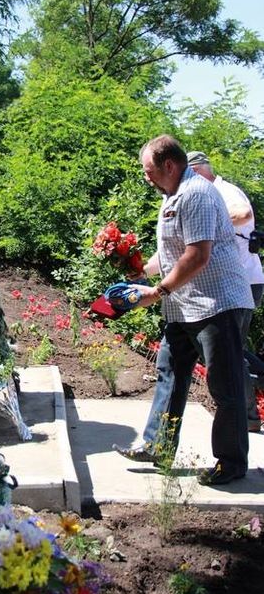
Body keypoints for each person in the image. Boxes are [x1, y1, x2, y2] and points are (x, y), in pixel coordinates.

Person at [113, 135, 254, 485]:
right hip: (184, 307)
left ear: (169, 166)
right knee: (170, 374)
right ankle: (157, 446)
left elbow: (198, 255)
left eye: (149, 171)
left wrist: (157, 291)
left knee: (225, 387)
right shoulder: (173, 196)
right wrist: (141, 271)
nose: (146, 178)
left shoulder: (197, 194)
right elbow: (174, 250)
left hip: (216, 304)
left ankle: (231, 463)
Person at [187, 150, 264, 432]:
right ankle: (250, 413)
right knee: (235, 351)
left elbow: (244, 214)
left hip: (244, 281)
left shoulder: (224, 191)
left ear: (197, 171)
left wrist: (209, 218)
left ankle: (249, 418)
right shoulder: (209, 193)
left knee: (231, 353)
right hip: (235, 284)